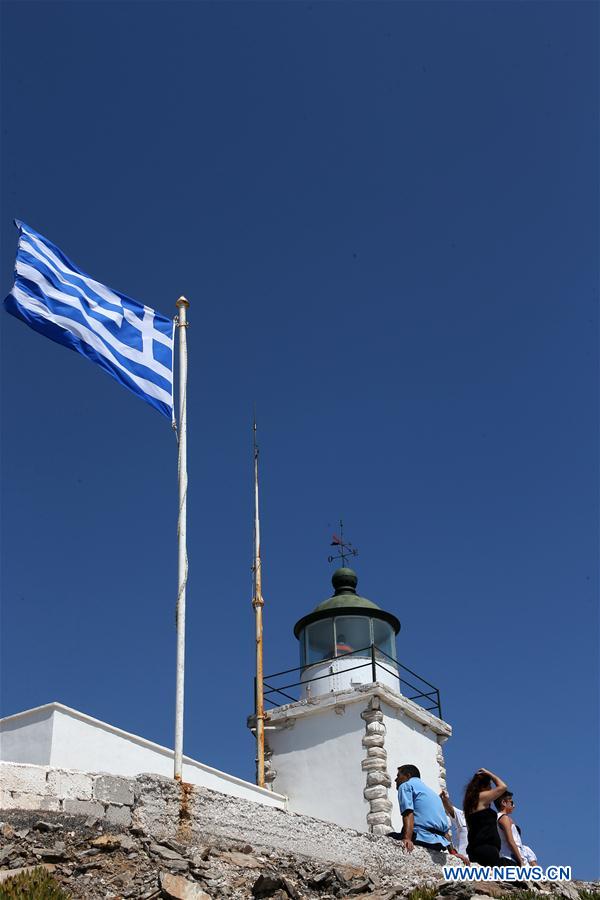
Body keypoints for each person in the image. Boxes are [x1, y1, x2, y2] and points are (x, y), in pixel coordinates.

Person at [463, 768, 516, 866]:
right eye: (490, 786)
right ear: (485, 786)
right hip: (486, 850)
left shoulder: (470, 804)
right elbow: (503, 787)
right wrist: (489, 774)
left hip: (476, 849)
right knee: (513, 870)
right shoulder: (481, 797)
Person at [392, 764, 450, 851]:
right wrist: (453, 852)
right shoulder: (434, 794)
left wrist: (407, 839)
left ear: (408, 775)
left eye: (398, 776)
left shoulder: (405, 786)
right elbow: (445, 831)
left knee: (388, 838)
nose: (395, 779)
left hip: (421, 838)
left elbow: (408, 813)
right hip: (439, 843)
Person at [495, 792, 538, 866]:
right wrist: (521, 861)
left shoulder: (499, 818)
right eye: (511, 802)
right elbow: (510, 841)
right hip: (509, 859)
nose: (514, 806)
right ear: (504, 803)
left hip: (510, 858)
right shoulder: (504, 818)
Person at [440, 789, 469, 864]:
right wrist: (444, 800)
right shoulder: (462, 816)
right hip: (464, 861)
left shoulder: (488, 821)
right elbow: (450, 809)